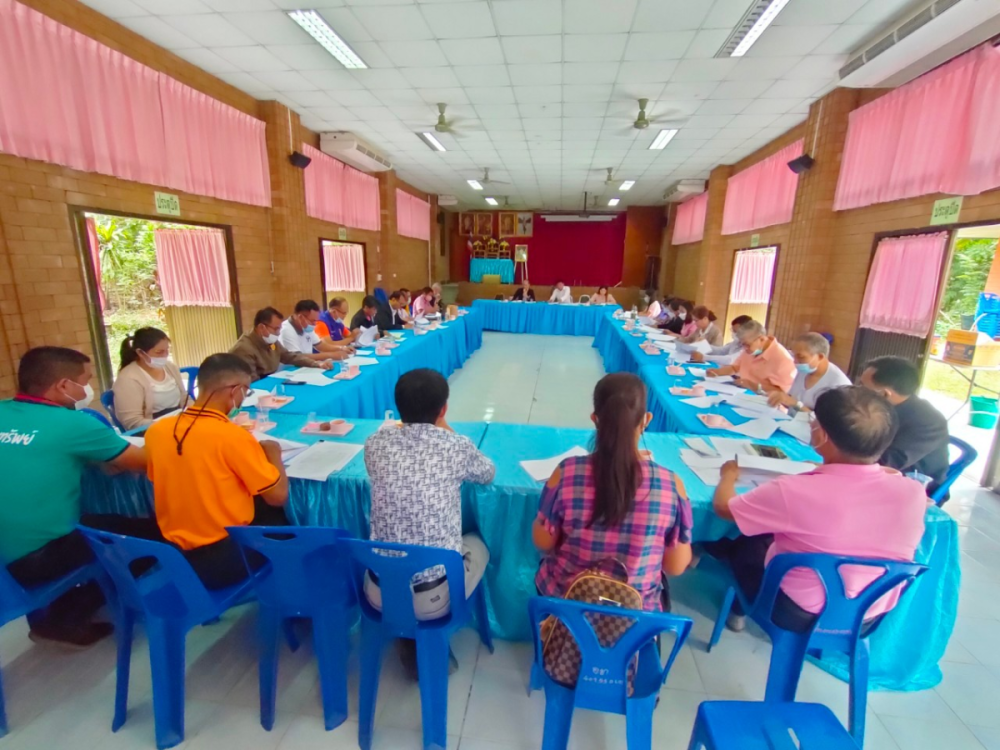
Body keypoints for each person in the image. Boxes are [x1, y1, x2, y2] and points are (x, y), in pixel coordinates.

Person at [708, 386, 926, 633]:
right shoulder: (913, 491)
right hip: (868, 614)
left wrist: (729, 475)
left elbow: (724, 508)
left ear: (821, 435)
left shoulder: (793, 489)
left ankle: (740, 608)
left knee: (744, 541)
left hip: (797, 613)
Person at [0, 347, 152, 646]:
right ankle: (65, 617)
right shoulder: (73, 424)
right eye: (85, 380)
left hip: (6, 552)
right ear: (63, 386)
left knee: (102, 522)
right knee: (148, 537)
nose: (87, 388)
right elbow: (142, 461)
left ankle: (62, 608)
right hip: (33, 560)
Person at [364, 369, 495, 676]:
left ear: (398, 407)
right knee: (478, 541)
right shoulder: (456, 446)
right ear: (443, 409)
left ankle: (407, 640)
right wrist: (444, 427)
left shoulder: (374, 444)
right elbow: (488, 472)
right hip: (433, 598)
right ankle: (441, 635)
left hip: (378, 591)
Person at [534, 373, 693, 611]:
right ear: (646, 420)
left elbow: (542, 541)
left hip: (568, 603)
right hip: (635, 614)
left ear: (596, 420)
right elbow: (675, 566)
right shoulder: (671, 485)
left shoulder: (566, 473)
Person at [144, 354, 290, 590]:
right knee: (286, 521)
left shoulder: (157, 431)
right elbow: (278, 496)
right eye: (247, 391)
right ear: (235, 391)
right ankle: (290, 600)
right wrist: (274, 454)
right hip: (222, 557)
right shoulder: (232, 436)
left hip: (173, 552)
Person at [860, 356, 950, 492]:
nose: (857, 392)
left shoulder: (929, 422)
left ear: (885, 394)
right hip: (875, 472)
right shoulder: (882, 406)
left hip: (914, 487)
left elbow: (890, 462)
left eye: (863, 388)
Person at [112, 327, 187, 430]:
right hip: (151, 429)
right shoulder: (128, 379)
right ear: (141, 353)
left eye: (167, 350)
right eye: (159, 352)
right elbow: (132, 422)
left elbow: (185, 398)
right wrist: (169, 425)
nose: (165, 355)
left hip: (177, 422)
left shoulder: (170, 367)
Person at [230, 307, 331, 380]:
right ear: (261, 327)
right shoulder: (244, 349)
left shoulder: (270, 340)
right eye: (275, 329)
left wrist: (316, 364)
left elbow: (289, 356)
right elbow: (251, 382)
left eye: (279, 328)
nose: (278, 333)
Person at [767, 333, 851, 412]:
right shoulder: (804, 370)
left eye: (801, 357)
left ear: (820, 356)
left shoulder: (838, 385)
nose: (795, 361)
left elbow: (828, 423)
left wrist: (796, 404)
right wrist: (780, 398)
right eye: (794, 356)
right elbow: (791, 398)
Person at [707, 320, 796, 393]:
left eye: (747, 345)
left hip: (767, 403)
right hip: (744, 394)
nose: (745, 349)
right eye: (743, 345)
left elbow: (782, 392)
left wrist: (752, 385)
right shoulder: (750, 350)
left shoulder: (783, 359)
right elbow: (734, 368)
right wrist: (717, 372)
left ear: (761, 339)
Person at [279, 300, 349, 360]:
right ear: (300, 317)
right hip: (291, 370)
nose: (314, 324)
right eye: (312, 321)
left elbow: (320, 345)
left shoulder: (307, 327)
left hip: (307, 365)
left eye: (316, 321)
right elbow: (297, 357)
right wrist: (331, 355)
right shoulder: (286, 330)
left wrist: (341, 348)